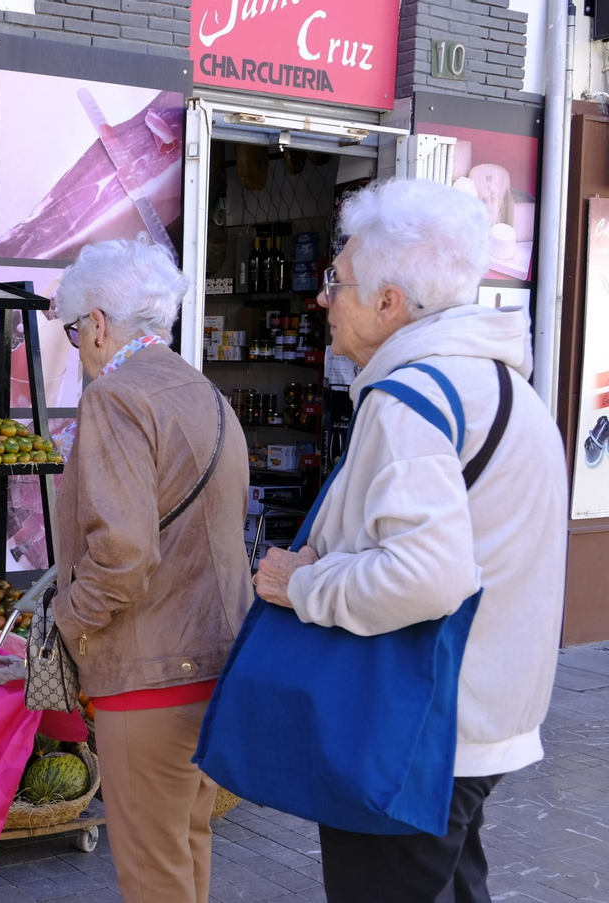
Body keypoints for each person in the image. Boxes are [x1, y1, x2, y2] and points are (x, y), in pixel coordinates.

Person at [253, 179, 567, 902]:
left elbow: (427, 575)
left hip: (414, 730)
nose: (322, 298)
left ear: (389, 302)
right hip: (479, 719)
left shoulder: (410, 401)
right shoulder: (507, 389)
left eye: (338, 282)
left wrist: (299, 582)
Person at [49, 239, 253, 903]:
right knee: (185, 848)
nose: (80, 344)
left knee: (153, 875)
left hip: (149, 674)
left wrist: (66, 620)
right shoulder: (204, 392)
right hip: (217, 664)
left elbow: (123, 552)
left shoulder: (115, 398)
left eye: (76, 328)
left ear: (100, 324)